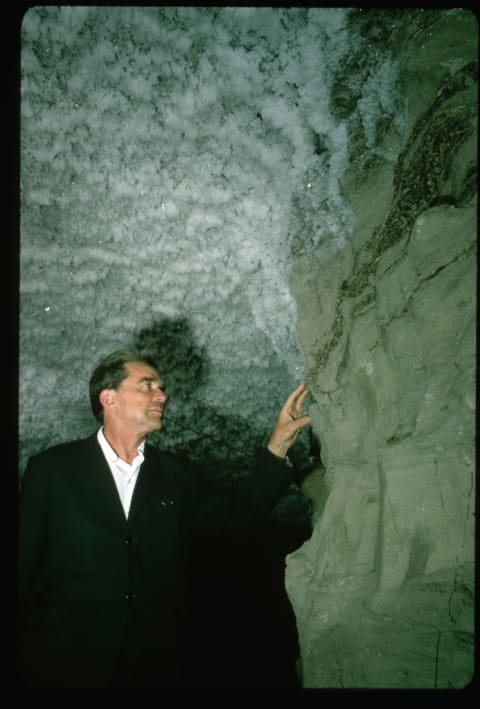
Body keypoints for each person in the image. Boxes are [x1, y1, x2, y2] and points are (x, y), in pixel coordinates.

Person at [18, 347, 311, 689]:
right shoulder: (51, 470)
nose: (163, 394)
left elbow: (238, 515)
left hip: (154, 668)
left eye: (161, 387)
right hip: (63, 667)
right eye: (148, 385)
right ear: (109, 399)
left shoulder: (176, 474)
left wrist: (277, 446)